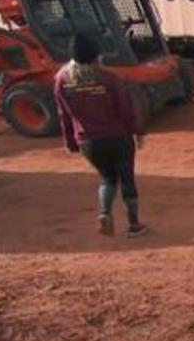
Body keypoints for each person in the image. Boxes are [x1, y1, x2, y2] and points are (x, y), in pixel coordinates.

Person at [55, 32, 149, 238]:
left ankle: (105, 212)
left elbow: (64, 114)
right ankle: (134, 225)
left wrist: (70, 141)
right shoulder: (109, 78)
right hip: (118, 137)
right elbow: (126, 109)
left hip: (88, 141)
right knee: (126, 178)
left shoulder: (62, 80)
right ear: (97, 56)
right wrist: (138, 131)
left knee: (107, 179)